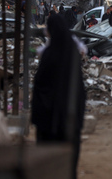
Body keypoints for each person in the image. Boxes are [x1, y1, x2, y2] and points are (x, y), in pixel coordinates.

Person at [31, 14, 86, 179]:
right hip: (69, 115)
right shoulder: (72, 53)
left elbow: (40, 83)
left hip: (48, 117)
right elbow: (79, 87)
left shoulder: (49, 53)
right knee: (68, 158)